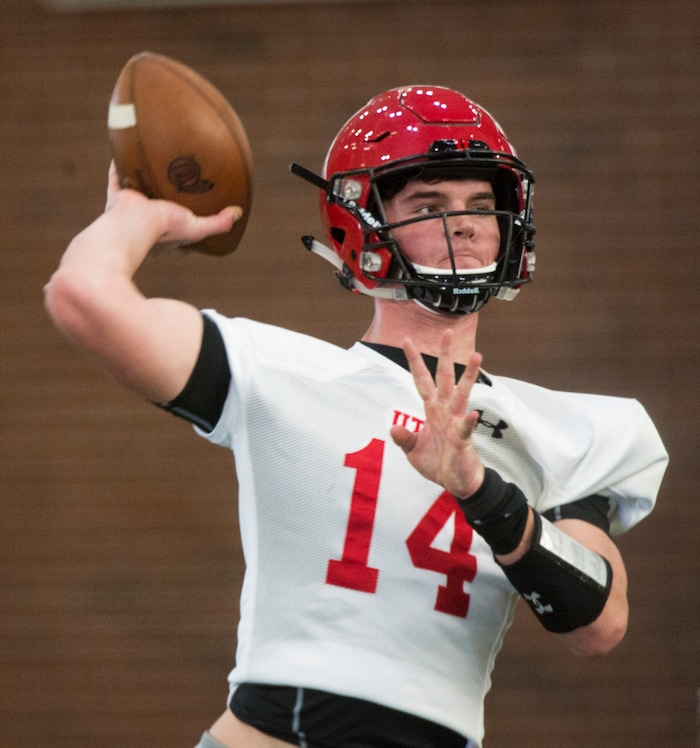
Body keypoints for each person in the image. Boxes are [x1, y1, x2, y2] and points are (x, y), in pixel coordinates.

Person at [44, 86, 668, 748]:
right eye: (430, 204)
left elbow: (599, 625)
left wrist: (481, 492)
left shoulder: (565, 429)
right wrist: (137, 215)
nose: (464, 222)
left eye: (481, 204)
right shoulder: (279, 372)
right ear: (362, 225)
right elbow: (83, 296)